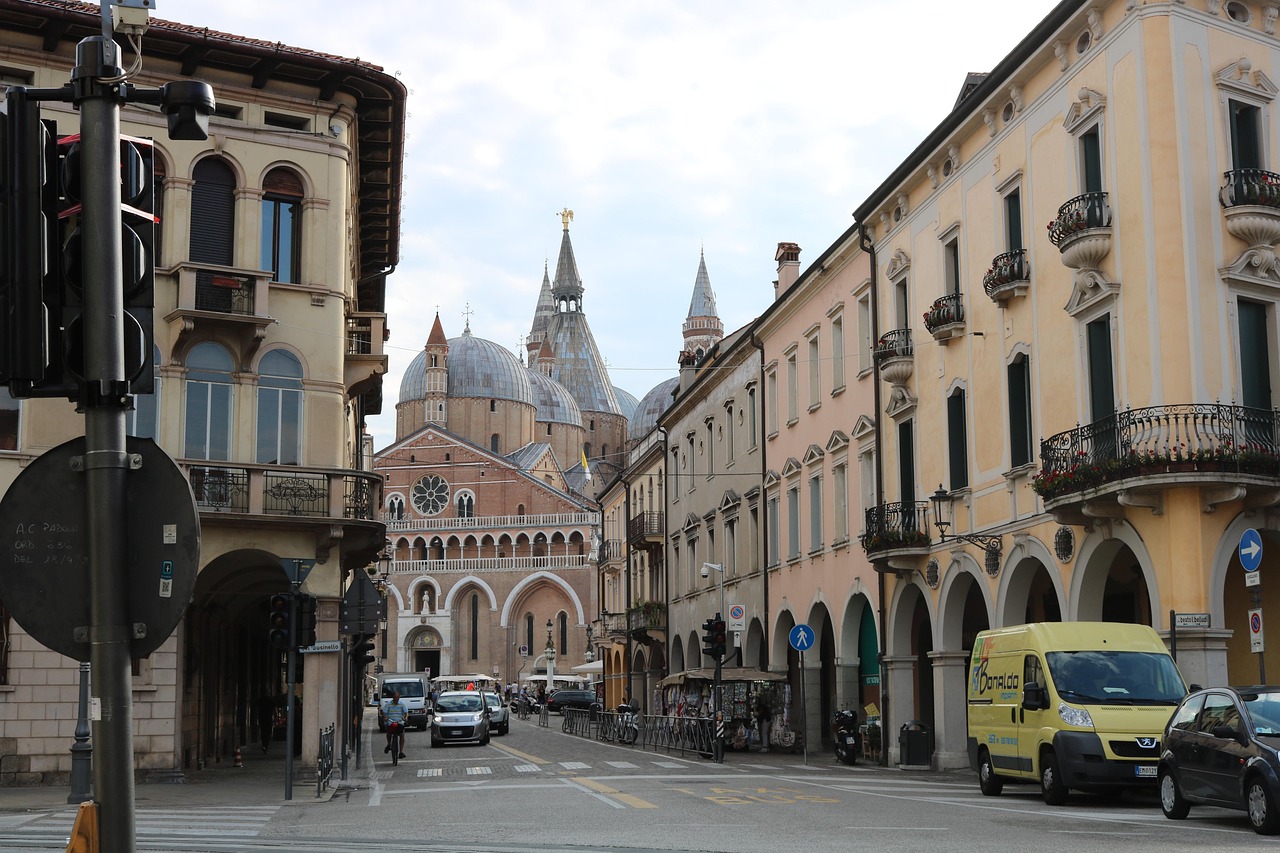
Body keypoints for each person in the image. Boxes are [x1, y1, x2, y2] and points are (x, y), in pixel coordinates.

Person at [383, 690, 408, 758]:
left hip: (399, 721)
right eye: (395, 697)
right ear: (393, 697)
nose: (396, 699)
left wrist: (405, 718)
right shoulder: (388, 704)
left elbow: (406, 712)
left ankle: (401, 752)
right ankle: (389, 744)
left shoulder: (402, 704)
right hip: (390, 721)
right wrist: (385, 717)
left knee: (402, 735)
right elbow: (384, 712)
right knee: (389, 732)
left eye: (397, 697)